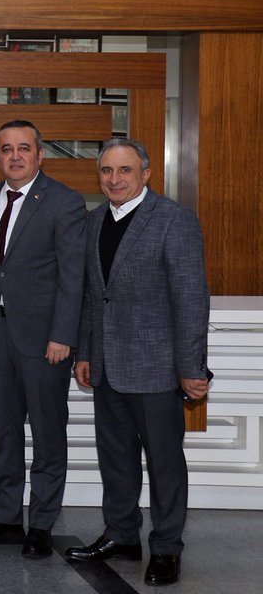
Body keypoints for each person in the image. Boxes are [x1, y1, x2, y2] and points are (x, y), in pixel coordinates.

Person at [66, 138, 209, 587]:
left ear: (146, 174)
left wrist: (192, 367)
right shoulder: (94, 222)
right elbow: (95, 296)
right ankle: (123, 534)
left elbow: (190, 299)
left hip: (157, 369)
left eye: (125, 171)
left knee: (165, 463)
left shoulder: (173, 220)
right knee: (116, 459)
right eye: (107, 171)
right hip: (107, 368)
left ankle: (166, 548)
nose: (115, 179)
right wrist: (86, 353)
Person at [0, 119, 85, 558]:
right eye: (6, 149)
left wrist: (63, 336)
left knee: (48, 434)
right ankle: (6, 514)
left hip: (45, 341)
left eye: (24, 148)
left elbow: (74, 279)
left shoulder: (65, 203)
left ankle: (43, 523)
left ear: (40, 154)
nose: (15, 156)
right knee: (6, 432)